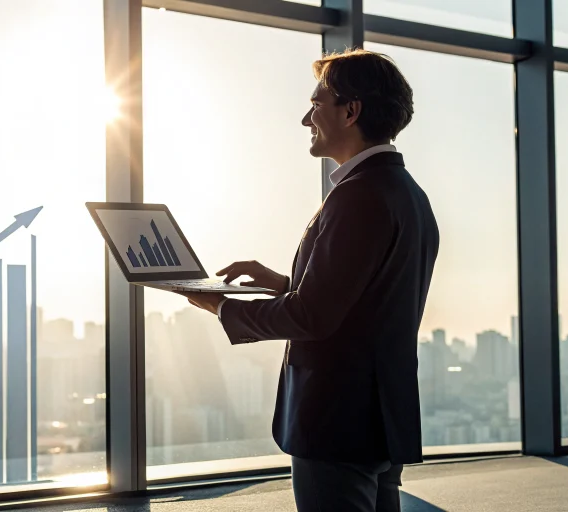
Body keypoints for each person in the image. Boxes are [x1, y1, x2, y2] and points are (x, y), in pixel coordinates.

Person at [180, 49, 439, 512]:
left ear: (350, 110)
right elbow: (364, 300)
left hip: (337, 419)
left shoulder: (357, 196)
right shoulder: (407, 194)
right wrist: (284, 281)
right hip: (378, 417)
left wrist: (222, 306)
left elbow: (313, 316)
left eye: (316, 103)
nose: (306, 118)